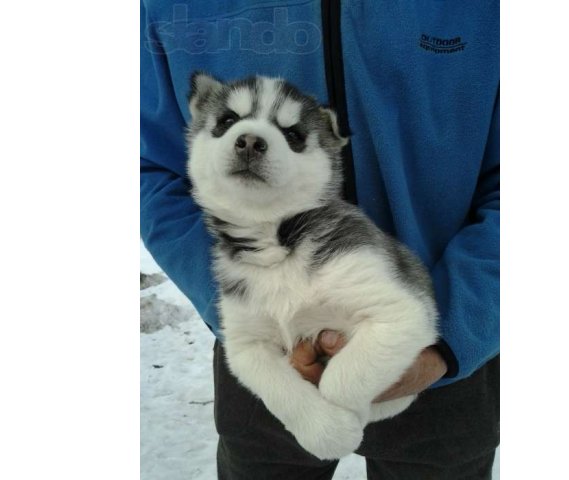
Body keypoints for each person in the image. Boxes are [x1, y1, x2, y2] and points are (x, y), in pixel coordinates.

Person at [141, 1, 499, 478]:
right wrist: (241, 305)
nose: (250, 141)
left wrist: (452, 338)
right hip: (268, 357)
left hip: (448, 350)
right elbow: (151, 169)